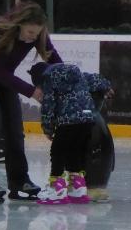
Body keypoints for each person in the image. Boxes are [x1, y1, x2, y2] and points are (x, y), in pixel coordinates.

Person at [0, 1, 61, 202]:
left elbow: (54, 59)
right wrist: (32, 91)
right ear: (19, 24)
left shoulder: (38, 35)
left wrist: (67, 77)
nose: (33, 38)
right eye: (30, 32)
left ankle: (19, 180)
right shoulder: (0, 32)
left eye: (36, 34)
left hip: (3, 78)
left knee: (15, 129)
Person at [28, 62, 112, 205]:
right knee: (75, 152)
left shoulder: (48, 77)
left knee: (58, 152)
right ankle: (77, 189)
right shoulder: (76, 73)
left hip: (68, 120)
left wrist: (48, 129)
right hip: (88, 119)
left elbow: (48, 105)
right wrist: (107, 86)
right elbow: (95, 79)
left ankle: (56, 189)